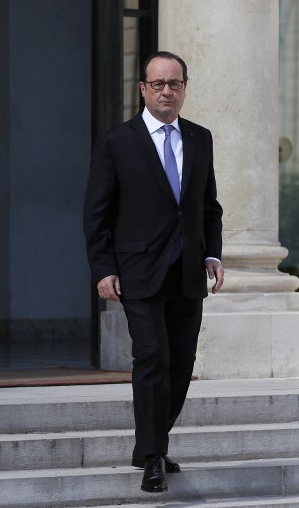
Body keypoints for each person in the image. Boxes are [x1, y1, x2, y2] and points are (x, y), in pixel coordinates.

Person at [83, 51, 224, 493]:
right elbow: (96, 212)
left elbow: (208, 207)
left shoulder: (200, 139)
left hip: (187, 274)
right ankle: (153, 458)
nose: (167, 91)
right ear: (142, 89)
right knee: (153, 359)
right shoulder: (117, 142)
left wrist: (212, 255)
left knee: (181, 365)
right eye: (158, 84)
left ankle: (150, 443)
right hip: (137, 273)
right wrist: (103, 268)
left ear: (185, 88)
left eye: (175, 84)